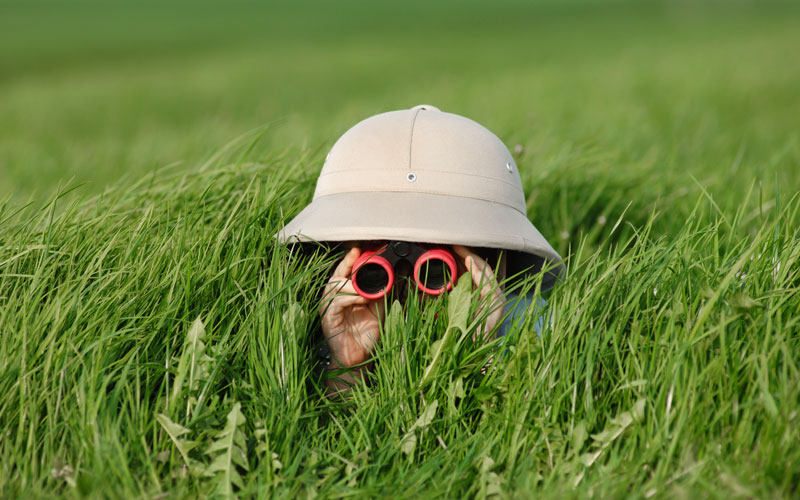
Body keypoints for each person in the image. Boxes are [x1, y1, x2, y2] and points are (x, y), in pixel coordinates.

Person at [277, 105, 563, 394]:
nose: (407, 277)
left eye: (435, 267)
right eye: (377, 261)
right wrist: (347, 364)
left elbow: (518, 435)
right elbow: (323, 438)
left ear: (487, 256)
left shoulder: (532, 325)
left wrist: (477, 351)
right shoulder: (312, 328)